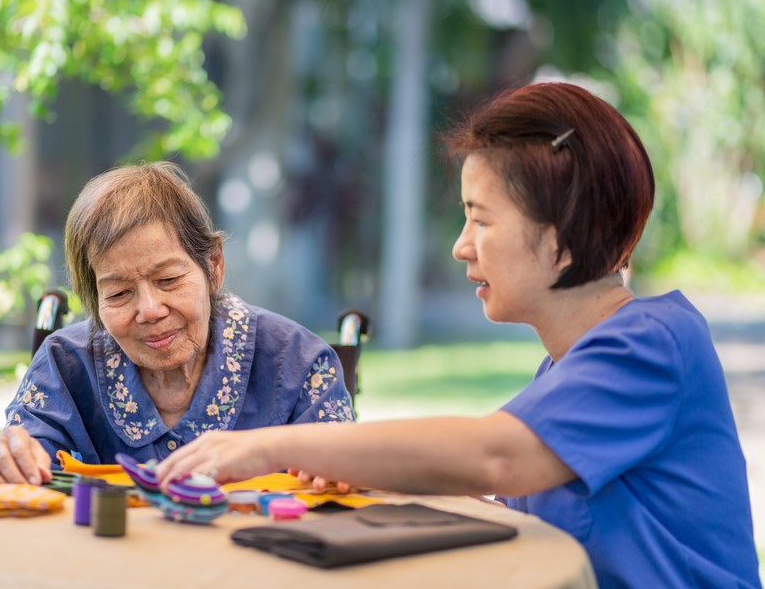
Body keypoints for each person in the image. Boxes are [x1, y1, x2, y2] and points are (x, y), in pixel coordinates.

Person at [158, 83, 761, 588]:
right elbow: (505, 505)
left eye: (481, 218)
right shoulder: (568, 370)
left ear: (562, 236)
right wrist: (368, 470)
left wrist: (271, 446)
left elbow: (493, 456)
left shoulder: (655, 345)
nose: (460, 245)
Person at [0, 162, 355, 487]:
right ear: (94, 301)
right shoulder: (65, 366)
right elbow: (7, 475)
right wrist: (4, 464)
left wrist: (337, 471)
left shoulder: (298, 363)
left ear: (213, 265)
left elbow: (348, 480)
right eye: (118, 294)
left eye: (168, 280)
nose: (149, 309)